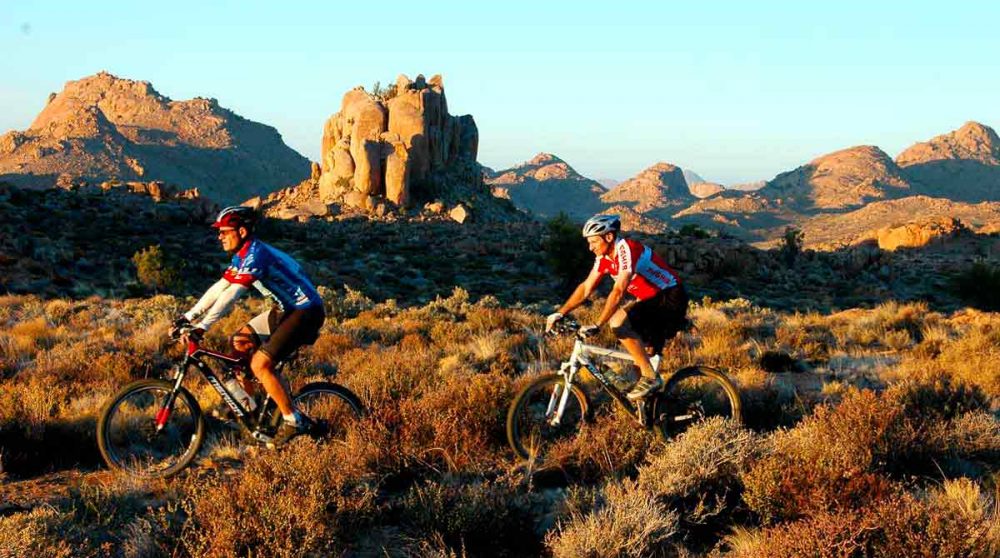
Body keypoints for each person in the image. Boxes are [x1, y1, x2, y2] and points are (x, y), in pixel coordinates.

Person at [173, 206, 326, 447]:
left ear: (241, 231)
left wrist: (202, 327)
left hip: (306, 311)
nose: (219, 236)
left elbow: (232, 294)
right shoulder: (242, 255)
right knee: (239, 342)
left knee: (260, 363)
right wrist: (188, 316)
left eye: (224, 231)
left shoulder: (257, 254)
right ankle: (254, 412)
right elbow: (220, 287)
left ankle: (292, 419)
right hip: (284, 310)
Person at [546, 214, 688, 400]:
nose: (590, 247)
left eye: (594, 242)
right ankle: (648, 413)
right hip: (650, 300)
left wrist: (598, 324)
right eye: (589, 243)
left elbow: (619, 290)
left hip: (670, 296)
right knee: (640, 361)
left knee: (618, 322)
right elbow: (586, 288)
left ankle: (651, 378)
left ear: (609, 237)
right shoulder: (603, 258)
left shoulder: (626, 249)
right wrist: (559, 312)